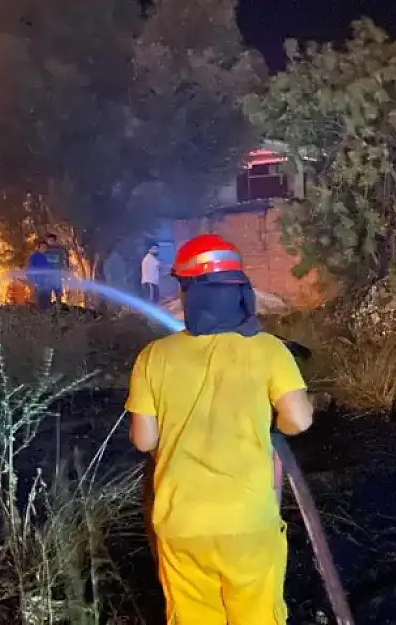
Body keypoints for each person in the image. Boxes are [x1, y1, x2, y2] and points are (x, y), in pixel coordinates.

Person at [126, 233, 314, 624]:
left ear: (186, 291)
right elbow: (298, 420)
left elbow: (145, 440)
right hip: (248, 521)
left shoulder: (153, 356)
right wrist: (270, 421)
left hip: (181, 524)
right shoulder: (268, 350)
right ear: (239, 289)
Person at [41, 233, 68, 304]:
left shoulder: (60, 249)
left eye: (52, 240)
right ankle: (48, 306)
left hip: (57, 273)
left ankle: (59, 306)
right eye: (49, 240)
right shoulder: (45, 249)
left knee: (58, 290)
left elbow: (64, 259)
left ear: (55, 240)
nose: (50, 242)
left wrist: (65, 269)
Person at [26, 240, 52, 310]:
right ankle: (40, 316)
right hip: (39, 284)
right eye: (43, 247)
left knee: (47, 303)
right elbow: (30, 270)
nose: (44, 248)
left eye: (46, 247)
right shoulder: (34, 257)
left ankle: (46, 317)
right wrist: (33, 282)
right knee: (40, 303)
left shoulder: (47, 257)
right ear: (39, 248)